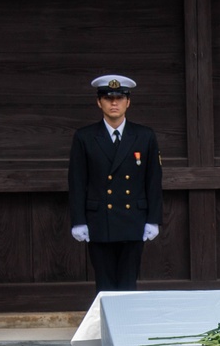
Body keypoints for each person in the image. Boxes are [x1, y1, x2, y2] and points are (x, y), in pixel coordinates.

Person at [68, 74, 163, 292]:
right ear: (98, 102)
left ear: (128, 102)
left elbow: (153, 181)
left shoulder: (144, 136)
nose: (114, 103)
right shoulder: (85, 137)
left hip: (133, 220)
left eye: (119, 98)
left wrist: (153, 219)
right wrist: (78, 220)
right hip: (100, 219)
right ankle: (107, 326)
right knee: (105, 283)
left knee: (129, 282)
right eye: (108, 98)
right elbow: (77, 181)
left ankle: (127, 326)